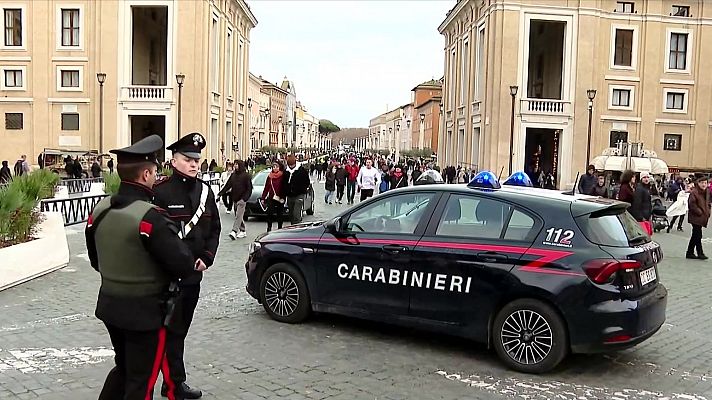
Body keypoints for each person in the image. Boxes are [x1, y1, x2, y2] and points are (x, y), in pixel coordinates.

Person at [84, 135, 196, 400]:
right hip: (146, 314)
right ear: (145, 173)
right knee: (141, 381)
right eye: (155, 171)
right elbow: (183, 264)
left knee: (123, 368)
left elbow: (95, 260)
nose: (156, 176)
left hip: (110, 306)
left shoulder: (99, 210)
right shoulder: (151, 217)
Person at [153, 132, 221, 399]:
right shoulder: (160, 192)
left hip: (194, 277)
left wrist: (207, 256)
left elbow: (214, 228)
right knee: (168, 332)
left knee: (179, 331)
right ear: (174, 160)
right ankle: (173, 384)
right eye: (187, 159)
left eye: (196, 159)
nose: (193, 164)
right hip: (167, 278)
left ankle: (172, 382)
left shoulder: (205, 191)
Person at [222, 160, 252, 240]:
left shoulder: (246, 176)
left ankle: (234, 231)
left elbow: (249, 189)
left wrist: (244, 199)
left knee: (238, 215)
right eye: (234, 164)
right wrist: (220, 194)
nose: (235, 166)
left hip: (242, 200)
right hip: (235, 198)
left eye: (237, 164)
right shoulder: (233, 175)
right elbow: (227, 186)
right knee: (238, 216)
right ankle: (243, 231)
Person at [687, 174, 710, 260]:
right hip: (695, 217)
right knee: (698, 234)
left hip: (703, 216)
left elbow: (708, 202)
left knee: (695, 235)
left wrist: (708, 211)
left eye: (705, 183)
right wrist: (699, 212)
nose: (704, 184)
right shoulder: (694, 192)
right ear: (698, 183)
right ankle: (700, 253)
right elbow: (692, 204)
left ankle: (689, 252)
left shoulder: (707, 192)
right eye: (702, 183)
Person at [283, 155, 311, 224]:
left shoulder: (301, 170)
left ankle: (297, 228)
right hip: (290, 195)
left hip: (299, 195)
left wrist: (303, 189)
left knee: (296, 214)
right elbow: (284, 183)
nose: (291, 167)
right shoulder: (286, 172)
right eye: (290, 165)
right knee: (291, 214)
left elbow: (307, 181)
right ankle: (293, 227)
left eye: (292, 165)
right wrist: (286, 191)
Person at [263, 162, 286, 232]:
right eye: (274, 167)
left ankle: (280, 228)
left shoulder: (282, 176)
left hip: (280, 197)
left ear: (279, 168)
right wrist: (263, 197)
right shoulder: (270, 176)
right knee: (270, 213)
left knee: (280, 214)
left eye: (277, 167)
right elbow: (266, 187)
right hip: (272, 197)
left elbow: (285, 186)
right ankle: (269, 228)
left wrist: (283, 196)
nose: (275, 168)